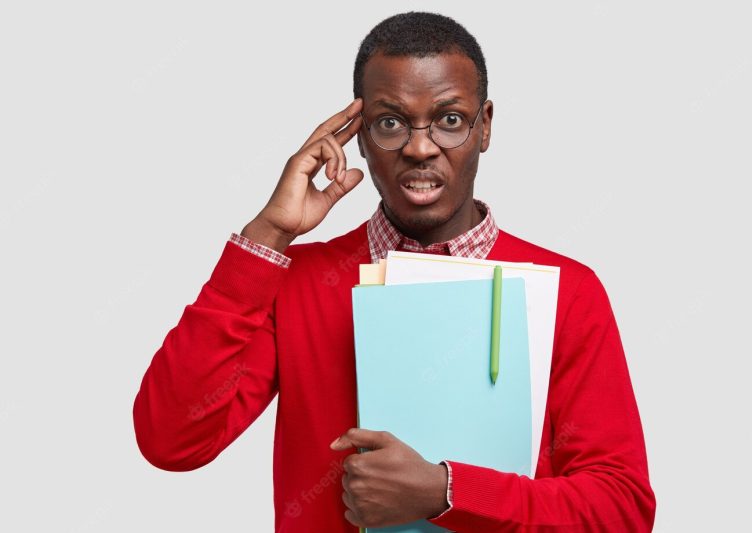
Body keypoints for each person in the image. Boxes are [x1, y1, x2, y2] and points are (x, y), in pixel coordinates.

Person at [133, 11, 656, 532]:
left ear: (486, 126)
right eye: (391, 122)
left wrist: (446, 492)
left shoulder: (568, 290)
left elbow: (621, 510)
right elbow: (173, 441)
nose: (420, 147)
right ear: (357, 136)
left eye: (450, 120)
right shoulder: (299, 282)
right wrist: (269, 233)